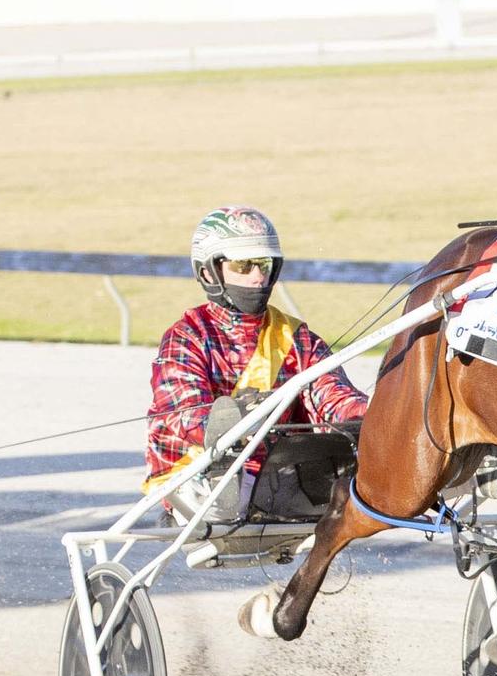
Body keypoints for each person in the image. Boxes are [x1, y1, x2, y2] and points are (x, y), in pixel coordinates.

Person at [143, 206, 368, 510]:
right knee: (227, 475)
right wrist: (240, 417)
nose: (258, 277)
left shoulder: (296, 337)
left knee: (349, 455)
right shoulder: (187, 336)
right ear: (209, 271)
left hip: (279, 471)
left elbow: (333, 397)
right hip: (198, 472)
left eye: (264, 264)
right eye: (244, 265)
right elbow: (184, 415)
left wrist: (371, 415)